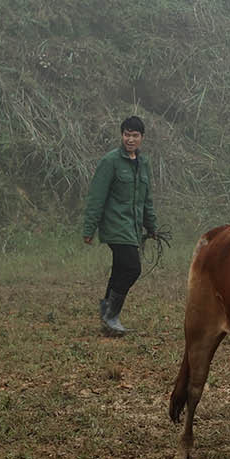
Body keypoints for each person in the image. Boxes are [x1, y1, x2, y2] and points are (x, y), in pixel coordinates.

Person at [82, 116, 157, 337]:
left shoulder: (144, 163)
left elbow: (146, 199)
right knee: (132, 268)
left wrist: (151, 226)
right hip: (115, 225)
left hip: (133, 227)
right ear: (122, 135)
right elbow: (96, 197)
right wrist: (89, 228)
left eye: (134, 135)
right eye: (126, 134)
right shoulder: (110, 161)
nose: (130, 139)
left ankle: (107, 317)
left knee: (119, 270)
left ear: (142, 137)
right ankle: (111, 316)